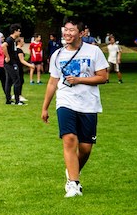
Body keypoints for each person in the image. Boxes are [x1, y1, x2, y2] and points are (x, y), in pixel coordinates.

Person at [41, 18, 108, 198]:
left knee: (85, 148)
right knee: (70, 139)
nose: (67, 34)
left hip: (89, 104)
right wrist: (45, 107)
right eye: (65, 30)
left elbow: (103, 77)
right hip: (65, 101)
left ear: (81, 32)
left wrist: (79, 80)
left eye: (71, 30)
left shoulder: (93, 51)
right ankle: (73, 183)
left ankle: (72, 171)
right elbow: (52, 82)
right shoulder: (57, 55)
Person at [2, 24, 24, 105]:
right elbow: (3, 46)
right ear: (15, 31)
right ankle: (17, 101)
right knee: (17, 81)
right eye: (19, 31)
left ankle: (8, 100)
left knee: (9, 82)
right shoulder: (10, 39)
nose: (20, 32)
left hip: (11, 63)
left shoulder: (13, 40)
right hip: (10, 64)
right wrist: (7, 57)